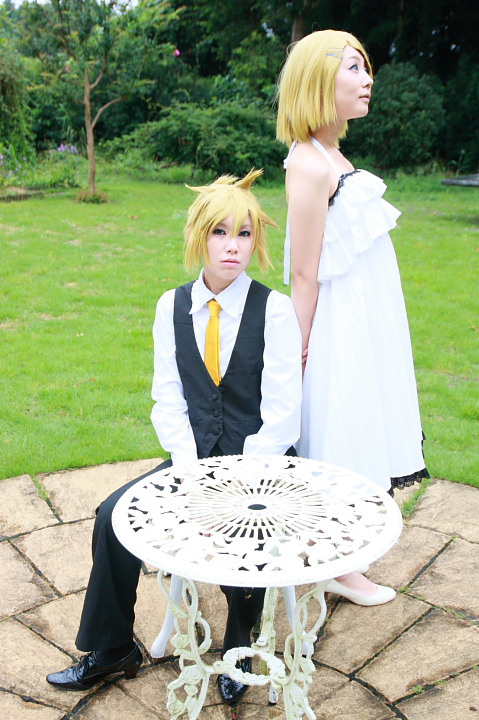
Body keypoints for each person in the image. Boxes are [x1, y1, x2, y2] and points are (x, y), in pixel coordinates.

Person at [46, 169, 302, 705]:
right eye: (219, 232)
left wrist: (237, 479)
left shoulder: (274, 310)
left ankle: (239, 648)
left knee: (245, 531)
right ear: (198, 237)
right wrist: (189, 471)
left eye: (244, 234)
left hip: (258, 465)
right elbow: (168, 398)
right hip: (191, 459)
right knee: (112, 517)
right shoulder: (172, 306)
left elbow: (282, 415)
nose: (232, 246)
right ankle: (113, 648)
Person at [276, 30, 429, 606]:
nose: (368, 80)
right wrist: (298, 348)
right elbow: (305, 272)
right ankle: (337, 561)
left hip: (367, 315)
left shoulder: (333, 155)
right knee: (341, 426)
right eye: (354, 68)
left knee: (364, 419)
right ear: (319, 80)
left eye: (366, 68)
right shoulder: (308, 165)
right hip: (339, 323)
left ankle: (345, 553)